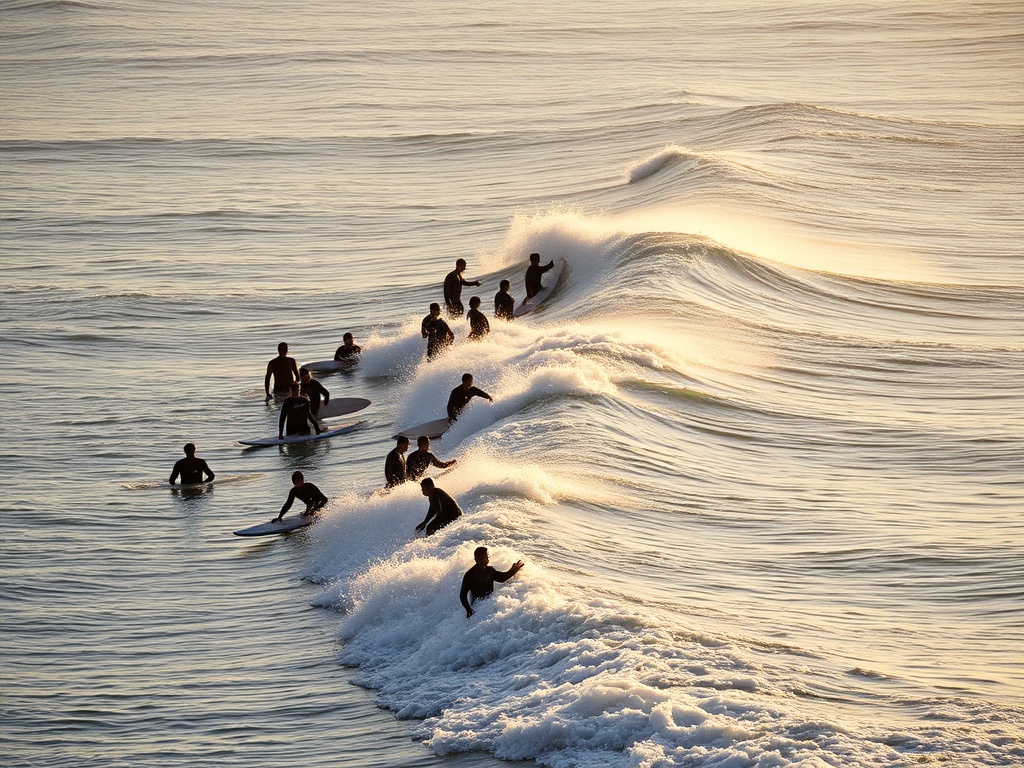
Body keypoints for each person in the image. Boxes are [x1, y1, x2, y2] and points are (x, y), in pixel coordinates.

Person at [459, 546, 525, 618]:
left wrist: (513, 571)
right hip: (477, 606)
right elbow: (463, 595)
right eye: (485, 557)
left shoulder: (489, 570)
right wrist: (469, 609)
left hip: (489, 604)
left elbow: (502, 578)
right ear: (476, 559)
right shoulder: (469, 575)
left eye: (487, 557)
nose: (487, 559)